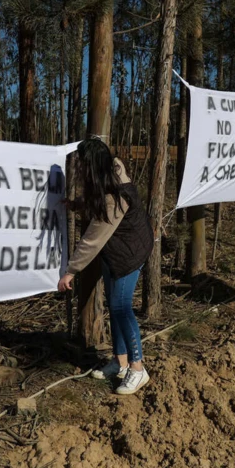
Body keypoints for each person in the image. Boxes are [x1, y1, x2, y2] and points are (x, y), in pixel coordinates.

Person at [57, 138, 154, 396]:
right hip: (119, 249)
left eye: (82, 165)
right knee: (115, 304)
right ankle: (120, 361)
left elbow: (92, 240)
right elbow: (95, 198)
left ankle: (137, 368)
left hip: (129, 253)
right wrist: (78, 205)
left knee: (122, 307)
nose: (79, 169)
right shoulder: (113, 167)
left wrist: (71, 271)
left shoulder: (114, 199)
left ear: (92, 167)